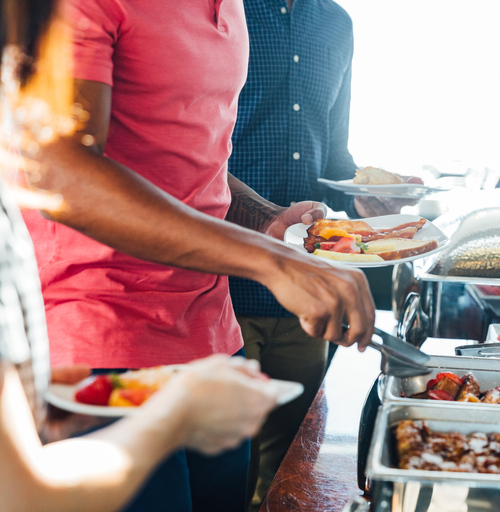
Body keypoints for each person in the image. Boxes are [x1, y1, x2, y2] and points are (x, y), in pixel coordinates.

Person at [11, 0, 376, 510]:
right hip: (99, 344)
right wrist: (273, 262)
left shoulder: (234, 7)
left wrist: (269, 222)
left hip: (209, 340)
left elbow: (185, 162)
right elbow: (59, 172)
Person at [228, 0, 418, 506]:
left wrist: (369, 197)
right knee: (227, 470)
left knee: (293, 465)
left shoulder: (336, 23)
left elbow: (332, 155)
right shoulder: (225, 10)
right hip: (224, 282)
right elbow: (194, 153)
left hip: (305, 293)